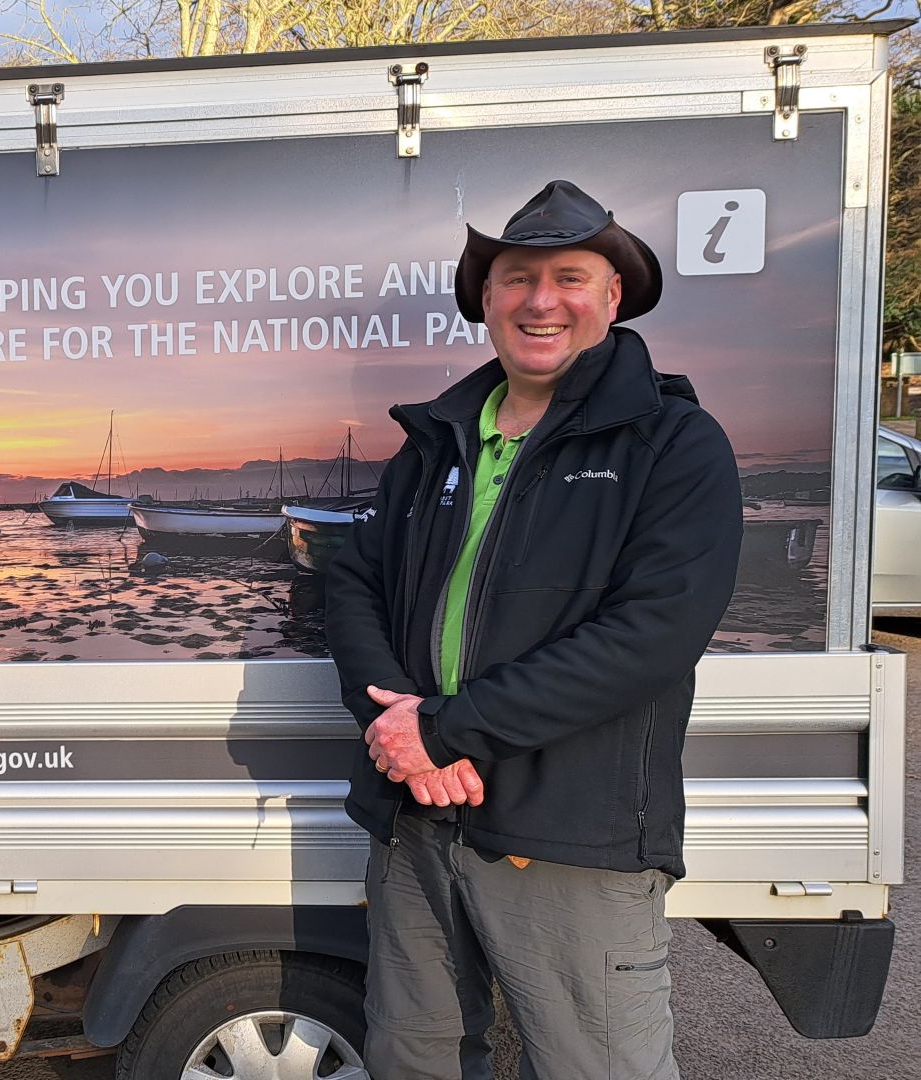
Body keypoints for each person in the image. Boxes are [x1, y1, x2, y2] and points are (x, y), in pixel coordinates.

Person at [324, 180, 744, 1080]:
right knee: (416, 1058)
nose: (540, 301)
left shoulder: (672, 442)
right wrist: (396, 728)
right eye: (516, 278)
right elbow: (351, 579)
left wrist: (443, 730)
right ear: (486, 299)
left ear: (612, 295)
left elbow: (652, 635)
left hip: (572, 835)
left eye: (569, 277)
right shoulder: (438, 438)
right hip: (416, 824)